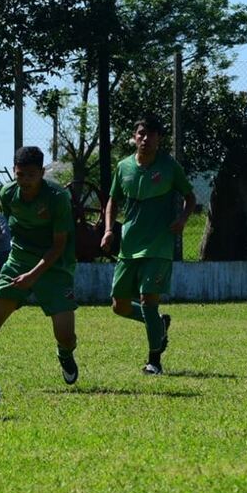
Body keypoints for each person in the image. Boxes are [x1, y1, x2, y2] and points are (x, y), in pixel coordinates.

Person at [0, 146, 79, 385]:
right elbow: (13, 226)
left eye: (31, 175)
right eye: (20, 174)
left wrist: (32, 276)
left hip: (54, 265)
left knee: (66, 336)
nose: (25, 181)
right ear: (14, 171)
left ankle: (65, 354)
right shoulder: (7, 194)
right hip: (19, 261)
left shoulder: (57, 198)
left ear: (42, 172)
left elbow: (58, 245)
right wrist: (21, 269)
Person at [102, 114, 196, 375]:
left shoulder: (169, 166)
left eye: (151, 134)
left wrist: (183, 219)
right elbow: (112, 201)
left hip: (159, 245)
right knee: (119, 306)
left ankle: (154, 361)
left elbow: (190, 197)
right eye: (141, 133)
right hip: (129, 245)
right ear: (134, 137)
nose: (145, 139)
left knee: (148, 300)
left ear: (159, 139)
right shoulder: (123, 167)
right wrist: (109, 230)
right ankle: (158, 325)